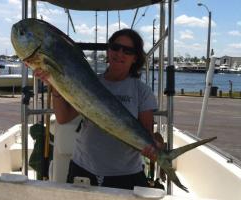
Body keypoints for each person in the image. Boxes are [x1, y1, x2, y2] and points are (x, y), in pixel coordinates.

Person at [33, 29, 163, 190]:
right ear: (108, 51)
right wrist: (54, 85)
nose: (120, 53)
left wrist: (154, 148)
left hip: (127, 174)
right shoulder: (89, 81)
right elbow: (63, 118)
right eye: (115, 47)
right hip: (83, 169)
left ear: (135, 57)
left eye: (128, 50)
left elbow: (146, 133)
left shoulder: (142, 91)